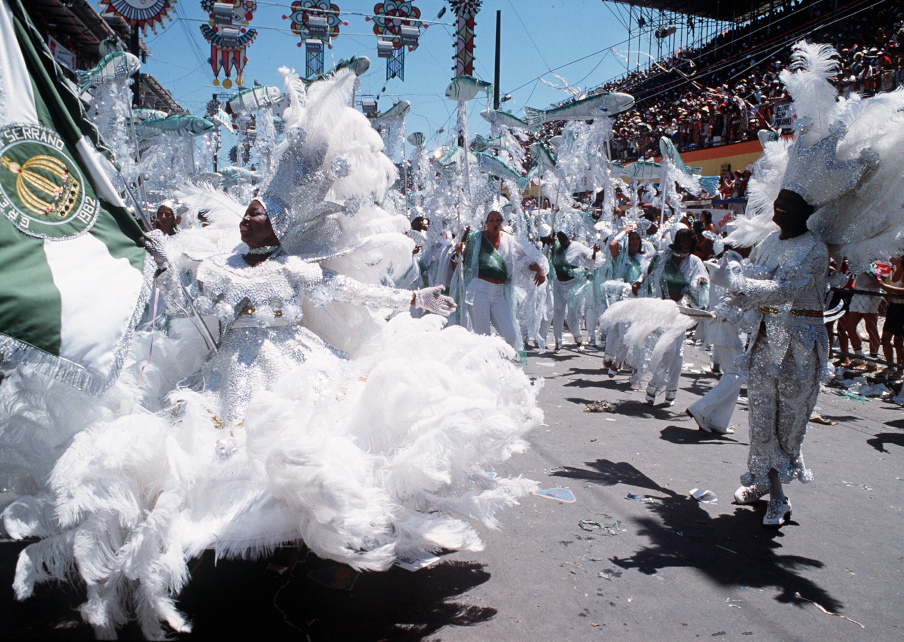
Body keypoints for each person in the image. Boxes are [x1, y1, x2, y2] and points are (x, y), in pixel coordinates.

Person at [2, 69, 544, 637]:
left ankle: (317, 547)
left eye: (255, 213)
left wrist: (413, 295)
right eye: (245, 213)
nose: (245, 218)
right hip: (235, 375)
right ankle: (257, 547)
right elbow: (190, 296)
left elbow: (349, 291)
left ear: (277, 225)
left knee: (314, 451)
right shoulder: (225, 266)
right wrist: (162, 260)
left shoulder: (295, 269)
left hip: (298, 365)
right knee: (235, 456)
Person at [717, 189, 829, 527]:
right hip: (764, 340)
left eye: (789, 204)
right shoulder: (768, 242)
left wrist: (739, 287)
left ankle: (779, 494)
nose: (779, 208)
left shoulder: (814, 248)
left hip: (799, 346)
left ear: (805, 212)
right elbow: (753, 276)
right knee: (761, 417)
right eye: (779, 201)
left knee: (788, 422)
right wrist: (731, 288)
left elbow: (783, 290)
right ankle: (767, 484)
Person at [455, 210, 547, 356]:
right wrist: (459, 251)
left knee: (510, 336)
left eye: (498, 220)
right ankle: (483, 369)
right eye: (491, 220)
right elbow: (463, 261)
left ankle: (499, 364)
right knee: (482, 337)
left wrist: (539, 270)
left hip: (498, 293)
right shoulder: (476, 238)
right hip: (479, 290)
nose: (495, 223)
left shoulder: (509, 240)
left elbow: (525, 260)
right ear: (486, 223)